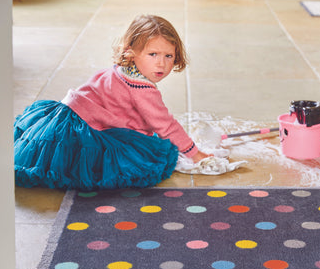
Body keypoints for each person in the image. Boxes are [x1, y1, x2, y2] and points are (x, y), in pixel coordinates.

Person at [14, 14, 211, 191]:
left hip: (65, 115)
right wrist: (194, 153)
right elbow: (165, 125)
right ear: (131, 52)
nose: (161, 63)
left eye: (168, 56)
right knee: (134, 160)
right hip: (80, 129)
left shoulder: (121, 69)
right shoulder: (143, 89)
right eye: (153, 54)